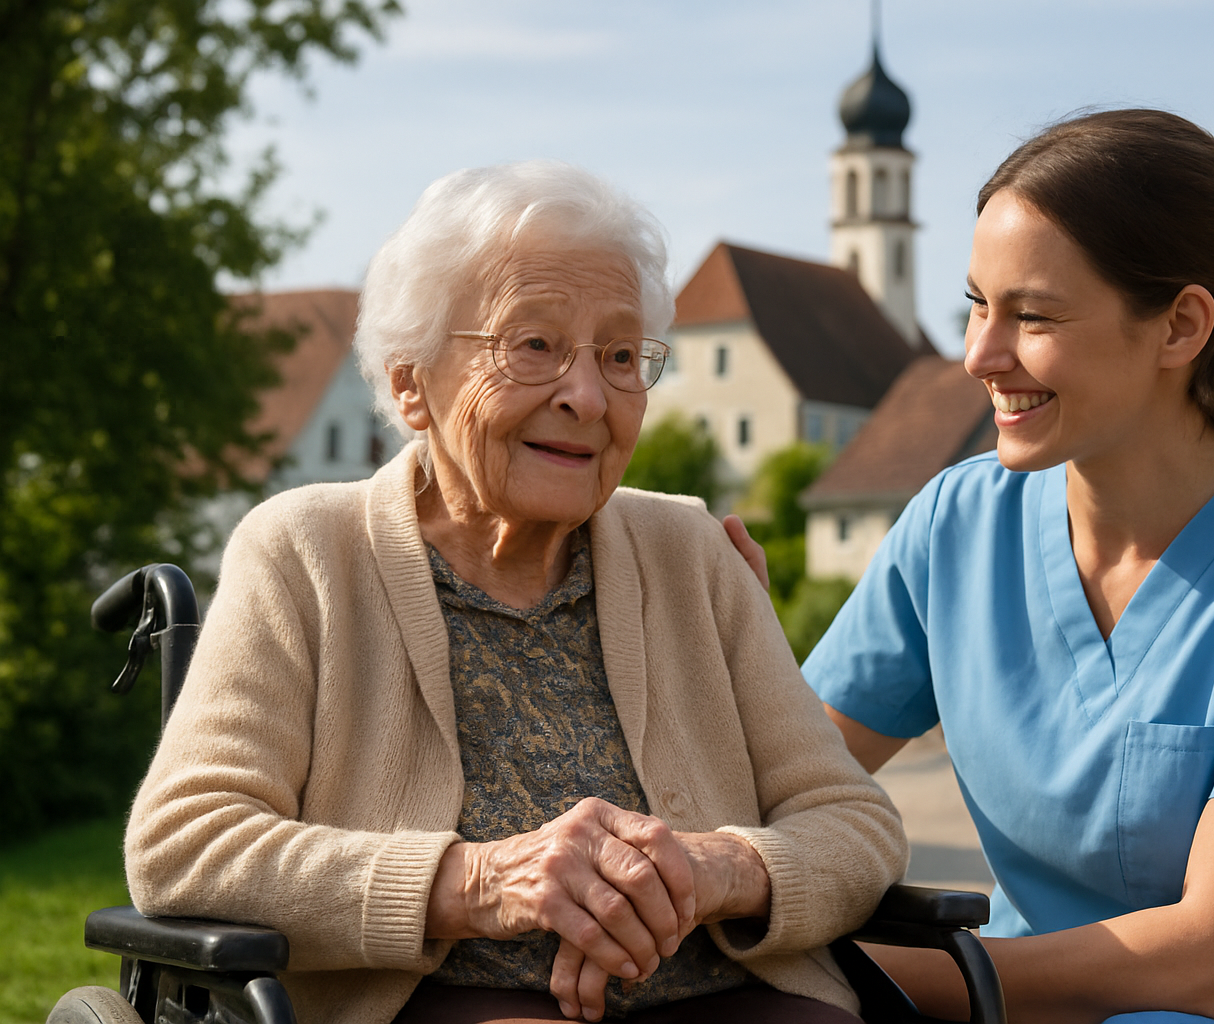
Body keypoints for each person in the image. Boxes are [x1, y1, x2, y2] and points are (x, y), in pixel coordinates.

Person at [125, 162, 905, 1024]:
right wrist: (482, 883)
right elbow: (187, 846)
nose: (587, 396)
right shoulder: (306, 551)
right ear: (409, 382)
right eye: (533, 346)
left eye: (619, 356)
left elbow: (854, 824)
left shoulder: (694, 553)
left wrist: (716, 870)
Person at [801, 110, 1214, 1024]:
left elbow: (1206, 964)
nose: (980, 356)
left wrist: (863, 982)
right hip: (1039, 1004)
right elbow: (789, 781)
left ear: (1181, 326)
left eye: (1031, 316)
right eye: (976, 306)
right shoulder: (958, 522)